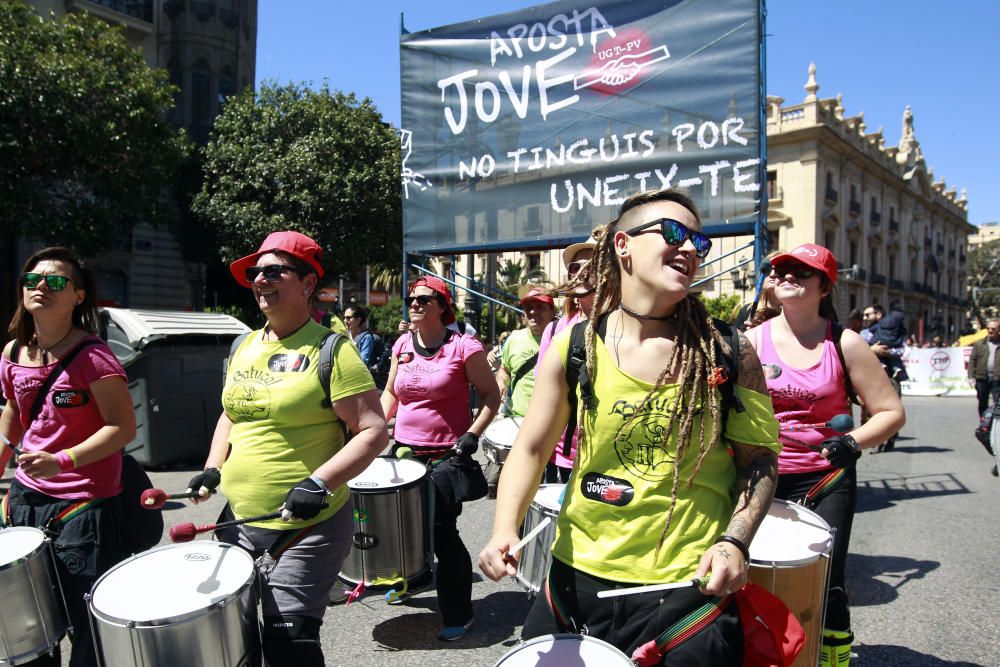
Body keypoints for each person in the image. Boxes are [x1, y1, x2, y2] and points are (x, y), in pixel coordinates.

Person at [479, 189, 782, 664]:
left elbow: (760, 460)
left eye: (698, 243)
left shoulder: (728, 349)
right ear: (623, 245)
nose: (690, 249)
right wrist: (503, 528)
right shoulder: (576, 345)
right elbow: (532, 448)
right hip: (575, 577)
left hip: (686, 589)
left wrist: (734, 542)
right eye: (674, 233)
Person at [189, 231, 388, 666]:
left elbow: (374, 430)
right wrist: (211, 468)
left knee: (288, 645)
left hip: (306, 527)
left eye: (274, 270)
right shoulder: (243, 345)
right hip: (239, 520)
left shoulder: (332, 350)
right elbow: (232, 414)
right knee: (232, 642)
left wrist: (319, 480)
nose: (261, 279)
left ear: (308, 284)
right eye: (256, 272)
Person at [745, 243, 905, 667]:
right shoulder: (750, 341)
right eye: (781, 270)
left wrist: (851, 442)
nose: (788, 277)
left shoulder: (845, 343)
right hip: (762, 476)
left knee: (826, 581)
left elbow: (890, 412)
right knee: (752, 573)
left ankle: (831, 659)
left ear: (823, 287)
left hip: (825, 478)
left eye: (802, 272)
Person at [0, 247, 136, 667]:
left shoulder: (93, 356)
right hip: (25, 503)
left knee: (86, 627)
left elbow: (122, 428)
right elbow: (12, 418)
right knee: (29, 628)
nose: (41, 286)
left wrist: (62, 461)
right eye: (32, 280)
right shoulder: (13, 354)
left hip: (83, 509)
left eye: (56, 281)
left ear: (78, 296)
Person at [380, 275, 500, 641]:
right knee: (401, 527)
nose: (413, 304)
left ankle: (459, 613)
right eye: (411, 299)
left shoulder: (464, 347)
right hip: (403, 451)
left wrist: (471, 434)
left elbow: (491, 396)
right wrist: (369, 431)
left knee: (441, 532)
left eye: (423, 299)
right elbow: (390, 394)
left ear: (442, 306)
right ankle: (412, 580)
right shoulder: (403, 343)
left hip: (445, 455)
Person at [532, 234, 597, 483]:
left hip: (606, 455)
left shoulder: (627, 326)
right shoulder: (556, 329)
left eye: (590, 265)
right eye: (574, 268)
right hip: (563, 454)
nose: (580, 272)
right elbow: (544, 396)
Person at [485, 288, 557, 495]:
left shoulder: (565, 336)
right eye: (528, 308)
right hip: (519, 424)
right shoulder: (514, 339)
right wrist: (501, 382)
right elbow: (505, 369)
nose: (533, 312)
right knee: (518, 490)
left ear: (553, 311)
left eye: (540, 307)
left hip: (554, 428)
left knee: (548, 490)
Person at [734, 250, 783, 332]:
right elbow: (733, 343)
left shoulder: (796, 313)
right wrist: (745, 335)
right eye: (768, 269)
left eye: (779, 270)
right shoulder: (748, 311)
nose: (772, 274)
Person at [968, 319, 1000, 416]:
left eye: (993, 329)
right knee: (982, 402)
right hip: (981, 378)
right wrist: (971, 376)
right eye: (988, 328)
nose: (990, 330)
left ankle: (996, 425)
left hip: (997, 378)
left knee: (997, 404)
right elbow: (972, 360)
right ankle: (983, 423)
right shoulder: (979, 344)